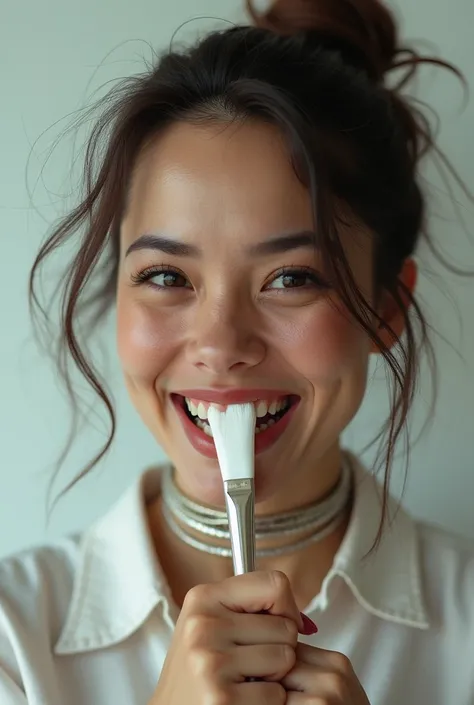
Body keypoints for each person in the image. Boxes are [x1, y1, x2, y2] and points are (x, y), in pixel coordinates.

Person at [1, 0, 473, 703]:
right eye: (166, 276)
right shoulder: (14, 633)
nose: (220, 345)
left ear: (388, 308)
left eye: (292, 278)